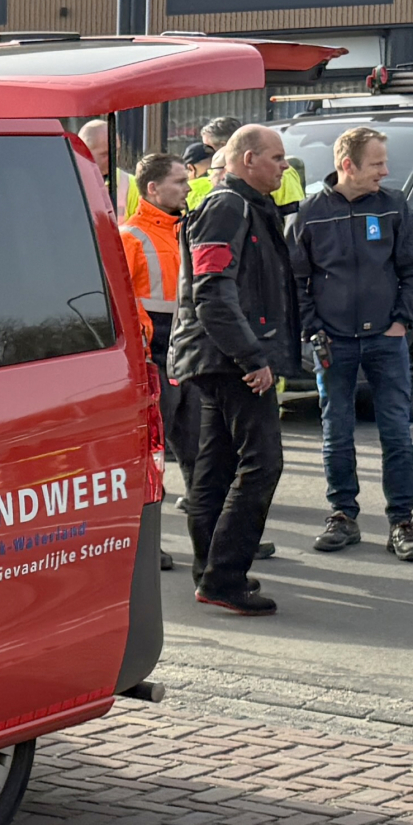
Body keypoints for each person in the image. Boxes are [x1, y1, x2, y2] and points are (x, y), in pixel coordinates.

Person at [170, 124, 297, 616]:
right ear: (247, 160)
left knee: (218, 464)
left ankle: (213, 573)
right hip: (227, 358)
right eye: (277, 157)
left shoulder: (243, 205)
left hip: (218, 356)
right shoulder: (228, 206)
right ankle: (223, 575)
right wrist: (253, 358)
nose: (285, 167)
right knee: (262, 462)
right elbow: (212, 292)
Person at [295, 125, 413, 563]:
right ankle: (342, 515)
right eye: (376, 164)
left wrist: (401, 321)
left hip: (385, 340)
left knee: (396, 433)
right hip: (333, 341)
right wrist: (314, 329)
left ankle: (402, 523)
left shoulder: (393, 206)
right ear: (347, 165)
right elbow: (296, 281)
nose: (385, 172)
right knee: (336, 432)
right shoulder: (310, 213)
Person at [121, 153, 189, 571]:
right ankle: (150, 546)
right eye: (179, 181)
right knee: (155, 459)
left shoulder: (185, 230)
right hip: (158, 354)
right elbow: (124, 301)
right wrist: (148, 341)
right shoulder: (131, 236)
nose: (187, 187)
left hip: (186, 350)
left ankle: (217, 537)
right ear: (153, 189)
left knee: (202, 451)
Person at [190, 117, 303, 212]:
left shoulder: (282, 173)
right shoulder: (200, 183)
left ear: (226, 145)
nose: (206, 153)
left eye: (208, 148)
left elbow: (290, 219)